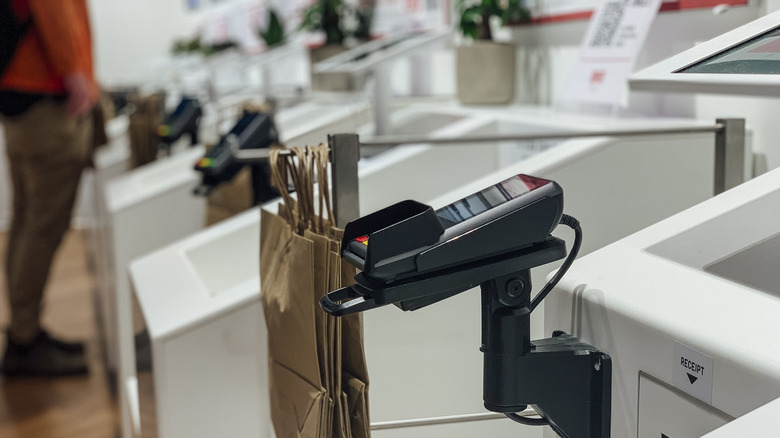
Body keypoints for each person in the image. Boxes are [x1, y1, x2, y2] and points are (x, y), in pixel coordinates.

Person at [0, 0, 98, 376]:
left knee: (27, 223)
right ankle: (23, 341)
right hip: (46, 94)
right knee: (41, 227)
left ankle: (25, 331)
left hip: (21, 93)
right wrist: (75, 72)